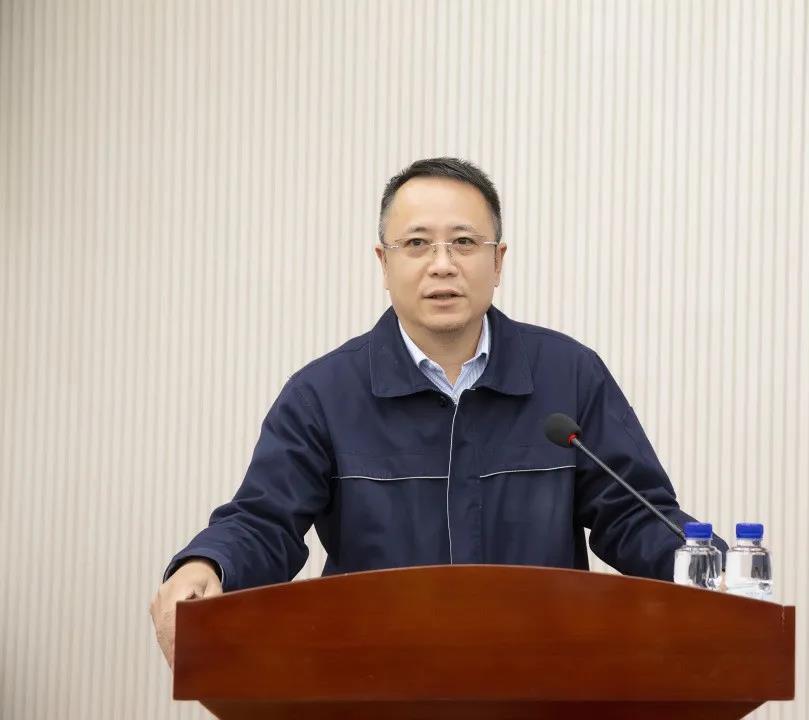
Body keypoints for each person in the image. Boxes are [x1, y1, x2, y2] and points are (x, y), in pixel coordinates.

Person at [149, 157, 726, 667]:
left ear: (498, 261)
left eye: (465, 243)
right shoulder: (323, 393)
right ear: (384, 262)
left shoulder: (568, 374)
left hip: (542, 674)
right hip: (373, 680)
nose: (442, 264)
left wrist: (708, 568)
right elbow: (264, 522)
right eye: (417, 244)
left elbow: (634, 512)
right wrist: (207, 565)